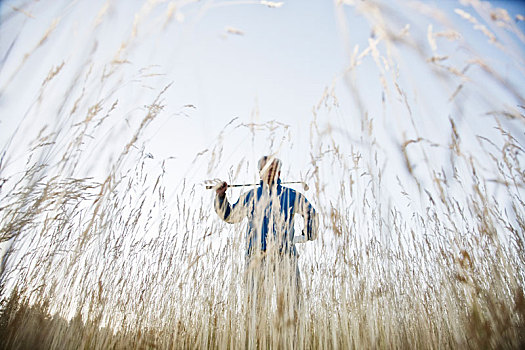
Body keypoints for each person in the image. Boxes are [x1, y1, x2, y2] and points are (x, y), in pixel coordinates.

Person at [214, 155, 319, 325]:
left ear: (279, 172)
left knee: (292, 305)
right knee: (254, 307)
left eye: (273, 168)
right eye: (265, 168)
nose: (269, 171)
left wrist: (307, 234)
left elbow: (311, 214)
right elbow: (230, 216)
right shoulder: (250, 196)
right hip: (255, 256)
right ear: (259, 173)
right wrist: (221, 196)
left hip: (285, 256)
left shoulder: (291, 195)